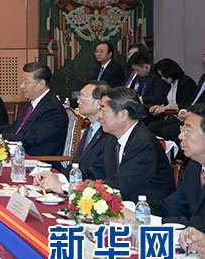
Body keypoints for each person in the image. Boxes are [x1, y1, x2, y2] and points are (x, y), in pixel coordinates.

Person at [36, 87, 175, 203]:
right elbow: (95, 172)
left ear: (123, 115)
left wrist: (65, 187)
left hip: (145, 214)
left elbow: (117, 187)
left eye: (104, 110)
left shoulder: (143, 145)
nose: (100, 116)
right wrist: (58, 177)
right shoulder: (113, 138)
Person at [143, 104, 205, 230]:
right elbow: (172, 207)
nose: (180, 136)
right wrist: (136, 209)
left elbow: (201, 225)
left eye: (187, 131)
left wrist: (153, 221)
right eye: (182, 129)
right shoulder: (195, 166)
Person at [0, 62, 68, 157]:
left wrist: (1, 136)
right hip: (20, 153)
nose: (22, 86)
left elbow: (34, 139)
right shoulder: (31, 104)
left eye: (26, 82)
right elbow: (15, 128)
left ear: (41, 84)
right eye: (22, 81)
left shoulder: (52, 109)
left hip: (39, 160)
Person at [55, 81, 112, 173]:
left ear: (98, 103)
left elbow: (98, 171)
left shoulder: (109, 133)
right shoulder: (89, 129)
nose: (78, 101)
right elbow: (76, 163)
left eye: (82, 97)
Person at [149, 52, 205, 143]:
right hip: (178, 114)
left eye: (163, 75)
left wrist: (167, 108)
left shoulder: (186, 82)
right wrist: (160, 107)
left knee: (166, 130)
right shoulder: (169, 84)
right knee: (152, 125)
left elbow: (186, 103)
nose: (162, 78)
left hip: (192, 115)